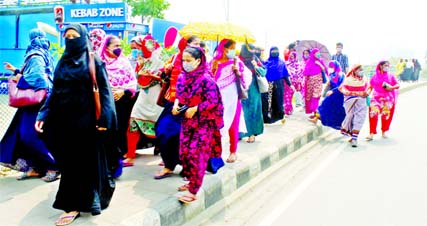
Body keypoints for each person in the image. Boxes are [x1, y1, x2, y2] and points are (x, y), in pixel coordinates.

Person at [35, 23, 120, 225]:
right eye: (67, 36)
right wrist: (43, 113)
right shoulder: (63, 61)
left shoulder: (94, 61)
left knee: (82, 165)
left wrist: (105, 119)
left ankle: (74, 205)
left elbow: (105, 92)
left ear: (83, 38)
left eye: (75, 36)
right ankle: (87, 199)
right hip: (63, 122)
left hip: (87, 123)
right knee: (69, 164)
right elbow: (55, 91)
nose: (71, 39)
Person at [0, 28, 59, 182]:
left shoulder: (35, 55)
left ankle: (53, 166)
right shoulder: (45, 54)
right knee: (22, 135)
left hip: (35, 104)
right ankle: (35, 168)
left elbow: (39, 80)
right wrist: (17, 70)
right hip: (40, 102)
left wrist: (19, 78)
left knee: (28, 136)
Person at [174, 46, 224, 203]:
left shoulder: (206, 80)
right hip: (188, 121)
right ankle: (190, 181)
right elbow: (179, 95)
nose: (185, 63)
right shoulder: (183, 77)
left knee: (197, 153)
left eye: (189, 60)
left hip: (204, 122)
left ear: (198, 60)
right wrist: (177, 105)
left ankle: (194, 190)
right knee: (184, 153)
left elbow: (213, 101)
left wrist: (196, 108)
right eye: (183, 60)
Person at [153, 35, 201, 178]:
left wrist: (195, 107)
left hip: (192, 106)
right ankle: (169, 164)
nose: (197, 46)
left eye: (199, 44)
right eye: (194, 43)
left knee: (186, 136)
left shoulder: (201, 64)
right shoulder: (174, 58)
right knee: (162, 130)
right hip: (173, 101)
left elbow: (208, 89)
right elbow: (164, 77)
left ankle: (187, 167)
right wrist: (166, 70)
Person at [124, 35, 164, 167]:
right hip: (143, 98)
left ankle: (165, 156)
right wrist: (140, 66)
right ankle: (130, 155)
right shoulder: (141, 61)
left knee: (161, 128)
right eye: (136, 48)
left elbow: (167, 80)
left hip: (157, 99)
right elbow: (138, 78)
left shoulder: (161, 61)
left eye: (139, 48)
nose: (138, 51)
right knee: (133, 122)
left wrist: (154, 76)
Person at [98, 34, 137, 170]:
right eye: (115, 46)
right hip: (106, 100)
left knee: (121, 127)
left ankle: (121, 154)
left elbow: (133, 81)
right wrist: (109, 90)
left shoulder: (124, 62)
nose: (119, 49)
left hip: (123, 100)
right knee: (109, 128)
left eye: (120, 46)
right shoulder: (100, 62)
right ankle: (109, 157)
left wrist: (122, 90)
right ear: (107, 47)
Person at [211, 39, 251, 163]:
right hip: (217, 98)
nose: (234, 50)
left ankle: (233, 151)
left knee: (233, 124)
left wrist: (238, 72)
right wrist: (214, 69)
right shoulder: (213, 62)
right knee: (216, 125)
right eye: (232, 48)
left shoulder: (236, 61)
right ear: (224, 48)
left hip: (233, 97)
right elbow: (209, 78)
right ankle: (215, 153)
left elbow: (247, 77)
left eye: (235, 48)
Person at [366, 60, 400, 141]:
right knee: (373, 113)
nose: (387, 67)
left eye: (388, 65)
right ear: (380, 66)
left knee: (385, 115)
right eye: (385, 65)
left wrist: (391, 87)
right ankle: (371, 133)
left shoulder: (391, 76)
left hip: (387, 98)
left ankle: (384, 131)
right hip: (376, 97)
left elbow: (398, 84)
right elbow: (371, 87)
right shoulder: (374, 76)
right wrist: (367, 93)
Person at [238, 43, 265, 143]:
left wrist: (256, 66)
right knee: (240, 111)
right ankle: (239, 133)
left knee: (253, 111)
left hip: (253, 89)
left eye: (253, 49)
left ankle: (252, 133)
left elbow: (264, 72)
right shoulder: (238, 60)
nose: (253, 51)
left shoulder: (255, 59)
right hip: (240, 88)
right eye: (250, 49)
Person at [339, 64, 370, 147]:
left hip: (361, 103)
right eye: (359, 69)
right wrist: (353, 94)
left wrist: (366, 94)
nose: (361, 71)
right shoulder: (348, 80)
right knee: (351, 117)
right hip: (350, 102)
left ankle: (354, 138)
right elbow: (342, 89)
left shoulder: (365, 79)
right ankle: (353, 136)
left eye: (362, 69)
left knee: (359, 118)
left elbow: (369, 89)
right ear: (354, 70)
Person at [308, 60, 346, 130]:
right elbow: (329, 82)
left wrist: (334, 90)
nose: (330, 68)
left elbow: (342, 85)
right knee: (323, 106)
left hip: (339, 95)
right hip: (331, 94)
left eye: (332, 66)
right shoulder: (331, 74)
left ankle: (344, 125)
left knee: (338, 112)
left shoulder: (341, 75)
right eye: (330, 66)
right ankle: (316, 118)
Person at [263, 46, 294, 123]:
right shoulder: (266, 62)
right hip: (269, 84)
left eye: (276, 50)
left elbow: (285, 75)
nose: (275, 52)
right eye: (273, 51)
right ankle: (271, 118)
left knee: (279, 100)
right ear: (270, 52)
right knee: (270, 101)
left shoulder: (281, 62)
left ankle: (280, 116)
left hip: (279, 84)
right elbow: (263, 74)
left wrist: (290, 85)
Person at [303, 48, 328, 118]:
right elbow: (305, 72)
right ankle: (314, 112)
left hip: (318, 80)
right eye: (316, 53)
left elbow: (325, 69)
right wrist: (303, 81)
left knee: (316, 96)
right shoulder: (309, 61)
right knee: (310, 97)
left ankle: (316, 111)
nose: (318, 54)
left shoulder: (320, 61)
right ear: (313, 54)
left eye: (318, 52)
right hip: (310, 81)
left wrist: (319, 64)